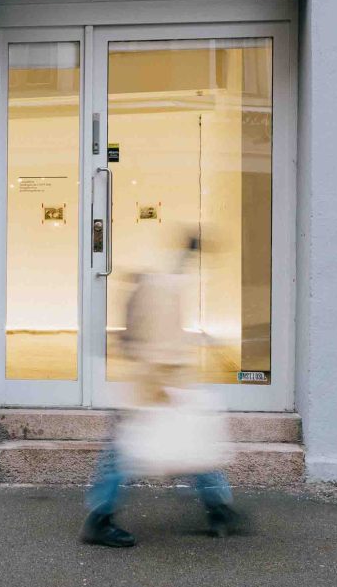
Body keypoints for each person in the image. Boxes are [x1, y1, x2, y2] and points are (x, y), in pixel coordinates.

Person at [81, 234, 239, 548]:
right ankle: (99, 519)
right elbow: (157, 348)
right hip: (157, 386)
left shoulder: (155, 285)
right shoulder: (158, 289)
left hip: (158, 384)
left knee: (185, 439)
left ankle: (219, 507)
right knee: (144, 446)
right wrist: (161, 389)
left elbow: (138, 340)